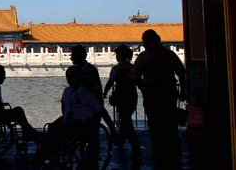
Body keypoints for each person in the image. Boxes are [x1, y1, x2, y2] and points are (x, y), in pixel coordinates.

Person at [130, 29, 186, 170]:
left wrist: (143, 87)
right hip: (168, 93)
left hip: (152, 95)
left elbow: (134, 76)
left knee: (156, 128)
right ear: (158, 39)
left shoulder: (143, 57)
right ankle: (174, 155)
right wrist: (183, 90)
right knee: (171, 127)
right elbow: (181, 73)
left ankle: (159, 155)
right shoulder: (169, 54)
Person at [33, 66, 104, 165]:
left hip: (81, 123)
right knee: (52, 127)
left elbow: (100, 110)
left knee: (58, 133)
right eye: (68, 77)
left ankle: (41, 157)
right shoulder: (67, 91)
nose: (70, 80)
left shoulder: (86, 93)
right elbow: (64, 106)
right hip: (68, 120)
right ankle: (50, 155)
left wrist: (111, 129)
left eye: (72, 77)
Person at [70, 44, 117, 170]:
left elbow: (96, 91)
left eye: (73, 55)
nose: (71, 58)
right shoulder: (76, 70)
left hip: (91, 106)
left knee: (92, 136)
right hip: (81, 106)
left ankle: (92, 161)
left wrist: (93, 106)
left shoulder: (90, 70)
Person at [0, 65, 38, 141]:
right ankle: (29, 132)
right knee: (19, 111)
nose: (4, 78)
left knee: (18, 111)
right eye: (3, 75)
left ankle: (28, 131)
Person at [104, 45, 141, 169]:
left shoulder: (116, 69)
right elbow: (138, 82)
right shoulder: (132, 67)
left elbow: (110, 82)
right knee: (126, 119)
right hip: (131, 96)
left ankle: (132, 142)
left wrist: (104, 92)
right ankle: (123, 140)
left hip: (120, 96)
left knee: (125, 119)